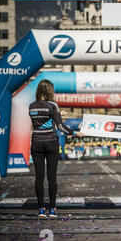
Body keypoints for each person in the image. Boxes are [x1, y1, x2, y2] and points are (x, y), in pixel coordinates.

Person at [29, 80, 85, 219]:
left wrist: (59, 114)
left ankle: (41, 209)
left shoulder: (31, 106)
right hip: (50, 143)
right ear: (49, 91)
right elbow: (60, 127)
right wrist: (75, 133)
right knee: (52, 177)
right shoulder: (53, 105)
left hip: (36, 143)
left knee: (39, 177)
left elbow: (42, 121)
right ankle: (52, 210)